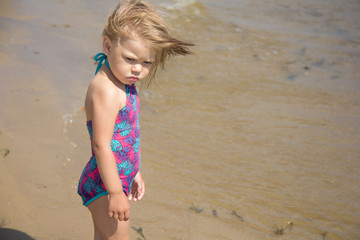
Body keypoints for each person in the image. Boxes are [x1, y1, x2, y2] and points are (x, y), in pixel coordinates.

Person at [77, 0, 193, 239]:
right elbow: (102, 144)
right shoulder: (107, 90)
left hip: (115, 179)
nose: (138, 70)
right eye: (130, 59)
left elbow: (125, 136)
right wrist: (115, 193)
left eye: (146, 63)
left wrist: (133, 171)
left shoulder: (122, 81)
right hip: (104, 186)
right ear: (107, 45)